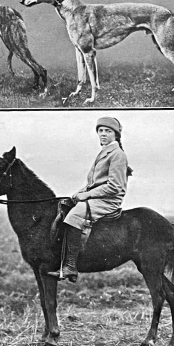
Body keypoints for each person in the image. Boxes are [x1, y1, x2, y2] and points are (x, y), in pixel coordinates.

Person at [50, 116, 131, 283]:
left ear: (116, 135)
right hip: (99, 196)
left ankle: (71, 266)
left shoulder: (118, 155)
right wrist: (77, 194)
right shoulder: (105, 152)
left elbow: (115, 186)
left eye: (108, 131)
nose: (103, 134)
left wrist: (86, 196)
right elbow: (92, 183)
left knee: (75, 215)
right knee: (65, 205)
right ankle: (59, 259)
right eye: (100, 131)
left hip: (109, 200)